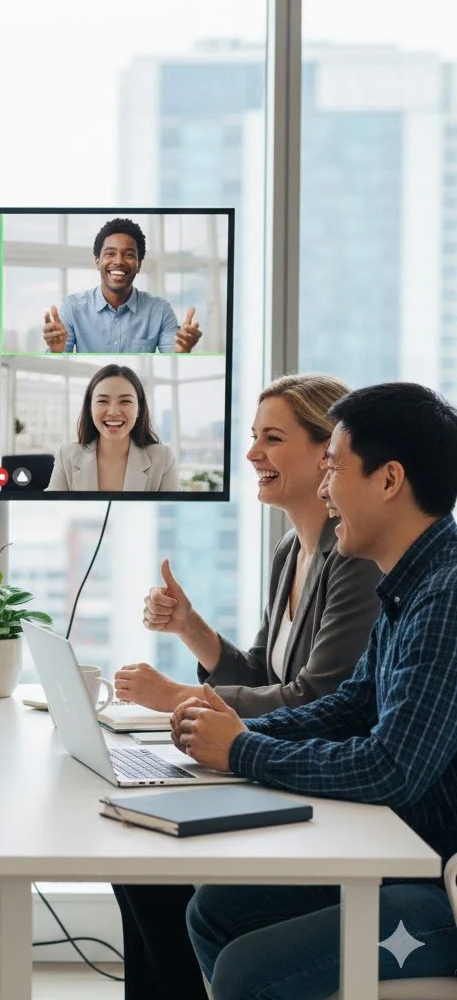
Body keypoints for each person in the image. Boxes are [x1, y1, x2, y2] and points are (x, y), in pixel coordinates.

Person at [175, 382, 457, 999]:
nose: (326, 491)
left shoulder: (446, 597)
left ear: (388, 481)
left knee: (249, 973)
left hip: (441, 886)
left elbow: (392, 766)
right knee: (214, 911)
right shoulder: (411, 585)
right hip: (402, 853)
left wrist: (241, 751)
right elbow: (349, 706)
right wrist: (229, 732)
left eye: (334, 471)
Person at [109, 374, 383, 1000]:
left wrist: (180, 696)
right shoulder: (292, 549)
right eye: (253, 437)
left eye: (272, 438)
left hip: (320, 781)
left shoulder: (358, 561)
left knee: (151, 873)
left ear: (326, 453)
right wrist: (189, 626)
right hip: (274, 759)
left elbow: (317, 697)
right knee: (133, 861)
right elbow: (265, 673)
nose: (253, 454)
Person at [41, 217, 202, 355]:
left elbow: (172, 360)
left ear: (139, 265)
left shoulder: (160, 310)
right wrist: (56, 351)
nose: (118, 261)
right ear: (97, 261)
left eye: (129, 255)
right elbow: (60, 367)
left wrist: (181, 352)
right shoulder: (73, 307)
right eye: (110, 253)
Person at [45, 363, 179, 492]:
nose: (113, 412)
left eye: (125, 401)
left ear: (139, 409)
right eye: (103, 401)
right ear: (90, 408)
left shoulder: (163, 458)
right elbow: (51, 510)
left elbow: (172, 512)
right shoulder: (66, 457)